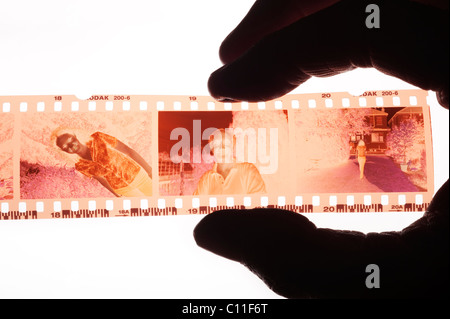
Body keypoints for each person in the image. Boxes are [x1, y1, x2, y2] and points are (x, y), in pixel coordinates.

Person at [194, 0, 448, 298]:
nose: (222, 150)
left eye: (226, 144)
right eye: (218, 147)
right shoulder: (207, 182)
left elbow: (257, 194)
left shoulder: (248, 171)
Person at [56, 131, 152, 197]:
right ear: (64, 150)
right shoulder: (80, 166)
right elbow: (102, 180)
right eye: (65, 146)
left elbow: (128, 151)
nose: (71, 145)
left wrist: (149, 170)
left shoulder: (98, 138)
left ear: (75, 136)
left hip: (138, 176)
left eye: (71, 140)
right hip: (123, 190)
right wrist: (117, 195)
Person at [194, 128, 266, 195]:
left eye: (226, 144)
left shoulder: (248, 171)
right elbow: (195, 206)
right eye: (217, 144)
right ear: (212, 149)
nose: (222, 148)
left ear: (232, 147)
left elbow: (259, 204)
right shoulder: (206, 179)